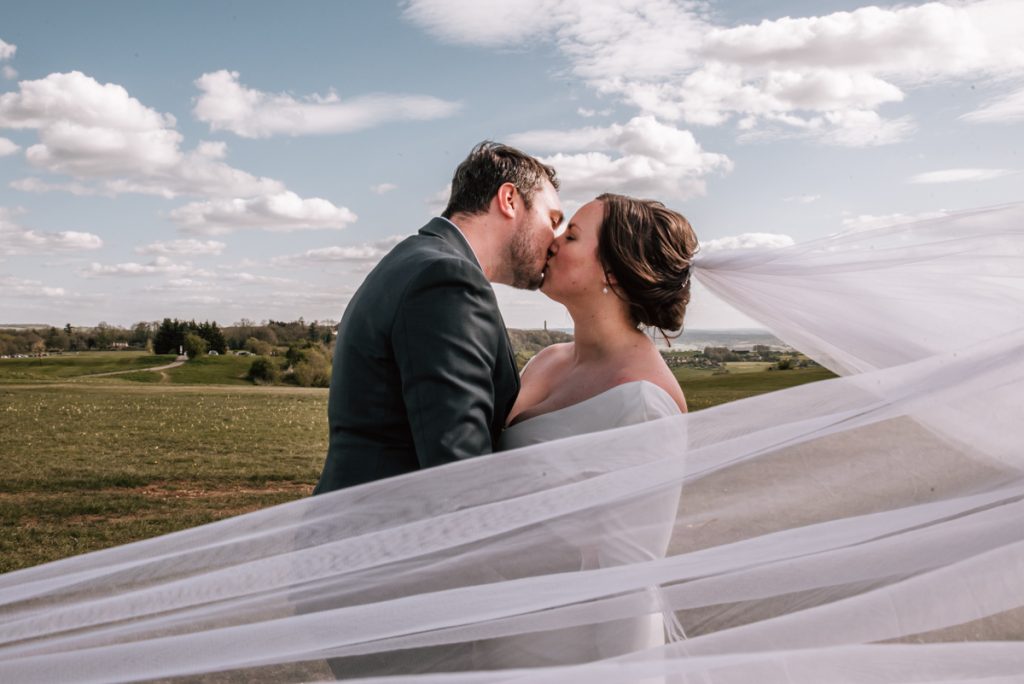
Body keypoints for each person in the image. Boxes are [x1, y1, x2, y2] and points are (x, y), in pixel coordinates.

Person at [471, 193, 698, 668]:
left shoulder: (642, 404)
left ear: (612, 273)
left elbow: (631, 585)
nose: (552, 242)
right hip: (499, 629)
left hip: (566, 653)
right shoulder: (548, 360)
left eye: (571, 235)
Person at [313, 141, 563, 494]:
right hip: (390, 536)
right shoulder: (447, 280)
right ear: (509, 200)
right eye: (552, 220)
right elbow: (460, 476)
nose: (555, 240)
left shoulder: (417, 259)